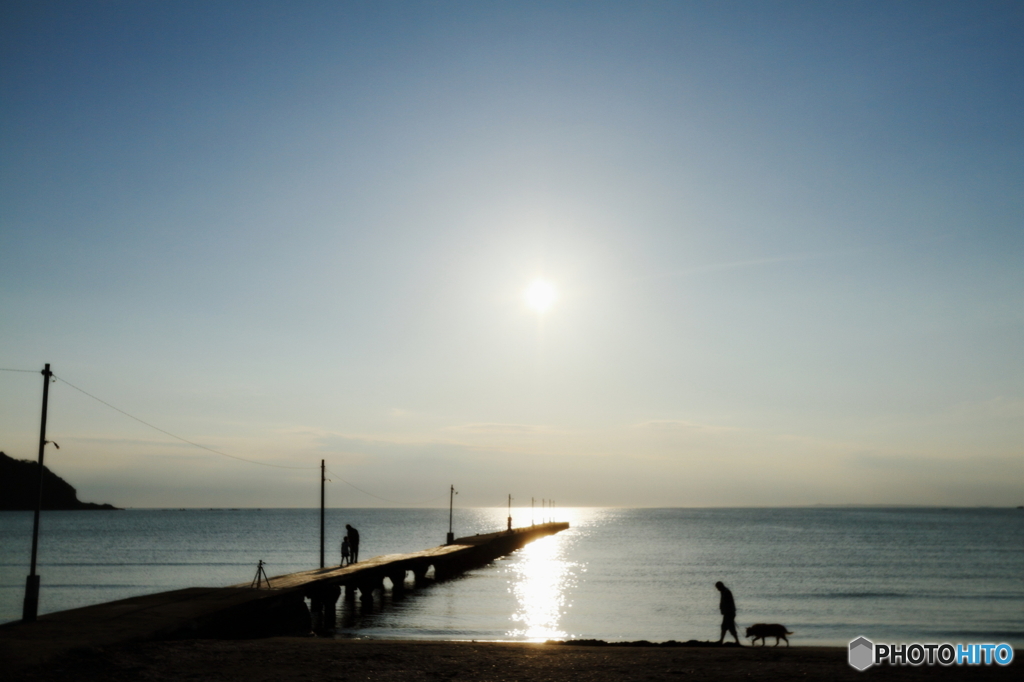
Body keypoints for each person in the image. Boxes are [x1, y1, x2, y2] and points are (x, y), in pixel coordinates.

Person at [715, 581, 741, 645]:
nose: (717, 589)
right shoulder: (723, 592)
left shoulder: (726, 592)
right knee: (724, 626)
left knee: (730, 627)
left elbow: (728, 603)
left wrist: (726, 611)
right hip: (727, 613)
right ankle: (721, 640)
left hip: (729, 613)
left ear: (720, 586)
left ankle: (737, 641)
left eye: (718, 588)